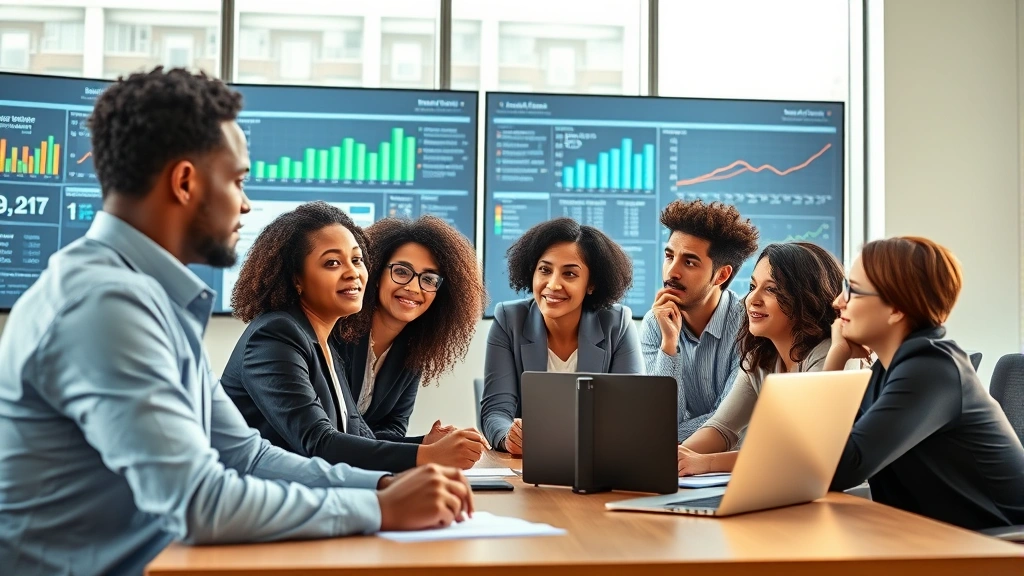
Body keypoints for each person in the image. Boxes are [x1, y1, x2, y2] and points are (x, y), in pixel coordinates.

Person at [0, 68, 473, 575]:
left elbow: (247, 457)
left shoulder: (152, 299)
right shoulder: (104, 305)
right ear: (185, 182)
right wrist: (380, 508)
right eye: (237, 180)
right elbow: (199, 503)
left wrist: (384, 486)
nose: (245, 204)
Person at [222, 204, 487, 473]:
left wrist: (427, 445)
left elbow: (355, 433)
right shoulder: (277, 335)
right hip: (251, 499)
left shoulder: (321, 341)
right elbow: (319, 442)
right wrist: (427, 455)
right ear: (296, 279)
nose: (353, 273)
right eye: (333, 262)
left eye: (357, 260)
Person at [825, 236, 1024, 530]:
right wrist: (838, 357)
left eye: (852, 291)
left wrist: (835, 358)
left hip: (999, 548)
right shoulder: (888, 370)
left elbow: (839, 466)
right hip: (940, 541)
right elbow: (826, 456)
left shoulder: (932, 368)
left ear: (896, 309)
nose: (838, 302)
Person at [676, 242, 844, 476]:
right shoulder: (760, 358)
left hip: (838, 495)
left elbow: (796, 452)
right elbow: (722, 428)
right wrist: (677, 457)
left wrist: (707, 463)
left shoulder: (830, 355)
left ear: (806, 298)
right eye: (753, 286)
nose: (751, 299)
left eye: (772, 289)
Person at [482, 217, 642, 454]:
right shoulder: (508, 319)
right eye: (545, 270)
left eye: (569, 274)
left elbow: (629, 413)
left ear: (591, 284)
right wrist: (509, 437)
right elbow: (496, 410)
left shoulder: (617, 324)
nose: (553, 285)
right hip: (529, 464)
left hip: (596, 460)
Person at [334, 215, 487, 444]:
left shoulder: (414, 349)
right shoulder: (337, 331)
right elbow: (337, 429)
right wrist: (422, 446)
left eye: (429, 279)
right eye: (402, 272)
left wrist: (428, 441)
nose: (414, 288)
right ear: (375, 273)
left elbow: (394, 427)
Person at [640, 200, 760, 442]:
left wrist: (657, 435)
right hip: (687, 463)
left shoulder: (750, 324)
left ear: (721, 275)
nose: (672, 272)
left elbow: (727, 421)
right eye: (669, 256)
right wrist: (669, 345)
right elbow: (662, 417)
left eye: (689, 262)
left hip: (739, 460)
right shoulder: (656, 323)